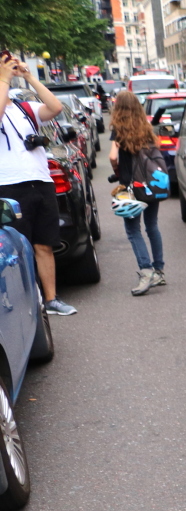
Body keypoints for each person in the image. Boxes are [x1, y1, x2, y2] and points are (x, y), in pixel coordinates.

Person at [0, 52, 76, 316]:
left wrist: (29, 76)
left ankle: (52, 299)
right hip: (8, 186)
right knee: (15, 250)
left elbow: (55, 108)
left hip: (40, 182)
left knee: (44, 244)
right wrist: (4, 80)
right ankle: (23, 304)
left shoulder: (24, 107)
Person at [108, 91, 166, 296]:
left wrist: (117, 171)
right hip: (151, 185)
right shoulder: (147, 128)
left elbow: (113, 157)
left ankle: (146, 270)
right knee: (152, 226)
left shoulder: (118, 130)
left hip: (131, 188)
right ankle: (159, 270)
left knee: (133, 230)